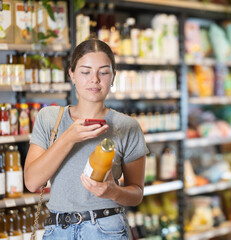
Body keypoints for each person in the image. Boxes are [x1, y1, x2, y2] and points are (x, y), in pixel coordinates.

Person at [24, 39, 148, 240]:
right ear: (71, 74)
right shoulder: (49, 118)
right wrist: (68, 138)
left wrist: (112, 191)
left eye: (103, 72)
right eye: (85, 71)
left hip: (107, 230)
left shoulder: (127, 126)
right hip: (57, 230)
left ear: (113, 76)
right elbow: (32, 181)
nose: (95, 79)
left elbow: (137, 194)